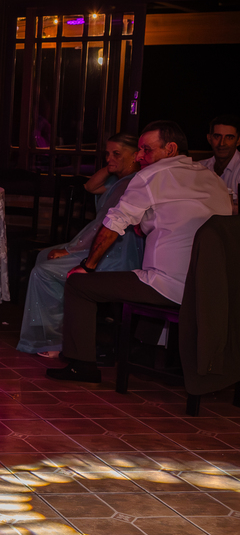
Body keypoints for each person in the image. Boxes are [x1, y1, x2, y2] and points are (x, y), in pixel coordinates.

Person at [47, 120, 234, 383]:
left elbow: (113, 224)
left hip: (171, 287)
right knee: (145, 275)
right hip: (210, 290)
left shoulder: (151, 176)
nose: (138, 156)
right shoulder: (212, 179)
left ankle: (82, 366)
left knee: (79, 284)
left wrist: (87, 266)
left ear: (170, 149)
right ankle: (142, 352)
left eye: (146, 149)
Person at [18, 134, 144, 358]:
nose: (109, 158)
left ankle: (55, 341)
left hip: (116, 253)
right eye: (107, 154)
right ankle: (58, 329)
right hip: (106, 246)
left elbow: (102, 226)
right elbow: (90, 186)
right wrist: (113, 164)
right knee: (44, 256)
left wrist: (69, 250)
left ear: (136, 155)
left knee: (44, 272)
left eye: (116, 153)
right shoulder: (119, 180)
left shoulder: (131, 184)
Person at [203, 114, 240, 200]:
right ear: (209, 138)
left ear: (238, 141)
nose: (222, 143)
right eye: (217, 136)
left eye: (229, 137)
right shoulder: (199, 167)